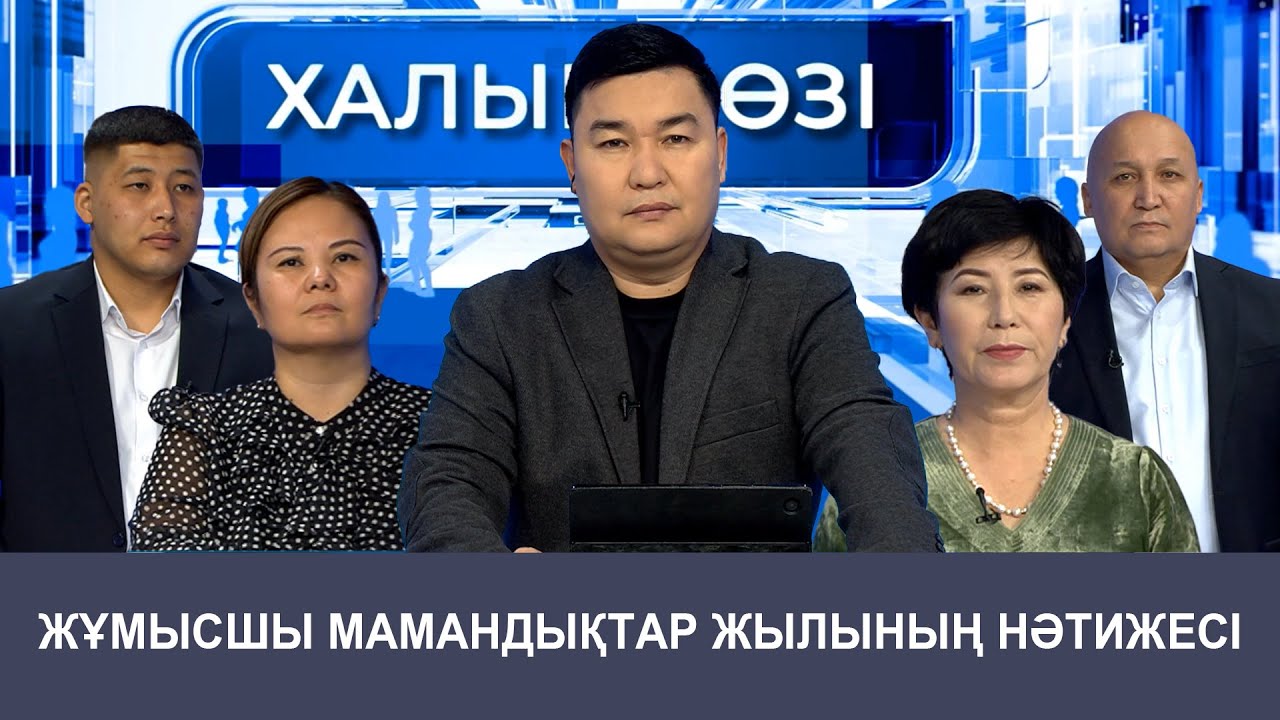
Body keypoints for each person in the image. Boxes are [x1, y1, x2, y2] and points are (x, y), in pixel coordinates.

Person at [399, 23, 941, 552]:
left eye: (676, 138)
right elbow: (447, 490)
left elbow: (878, 476)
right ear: (571, 165)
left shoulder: (802, 299)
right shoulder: (500, 317)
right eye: (613, 142)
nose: (647, 172)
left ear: (720, 153)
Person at [817, 189, 1197, 552]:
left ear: (1066, 319)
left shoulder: (1137, 480)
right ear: (930, 321)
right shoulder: (877, 484)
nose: (1004, 316)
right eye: (973, 290)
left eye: (1029, 287)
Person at [0, 106, 272, 551]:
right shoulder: (12, 326)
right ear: (86, 202)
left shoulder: (261, 327)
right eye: (139, 186)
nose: (166, 209)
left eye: (184, 187)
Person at [129, 177, 430, 551]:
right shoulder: (204, 430)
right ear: (253, 301)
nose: (320, 278)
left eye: (344, 257)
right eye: (291, 262)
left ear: (380, 291)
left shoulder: (441, 427)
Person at [1050, 111, 1280, 552]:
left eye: (1169, 175)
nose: (1148, 198)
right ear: (1088, 199)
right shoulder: (1045, 319)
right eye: (1124, 177)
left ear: (1198, 195)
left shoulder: (1271, 309)